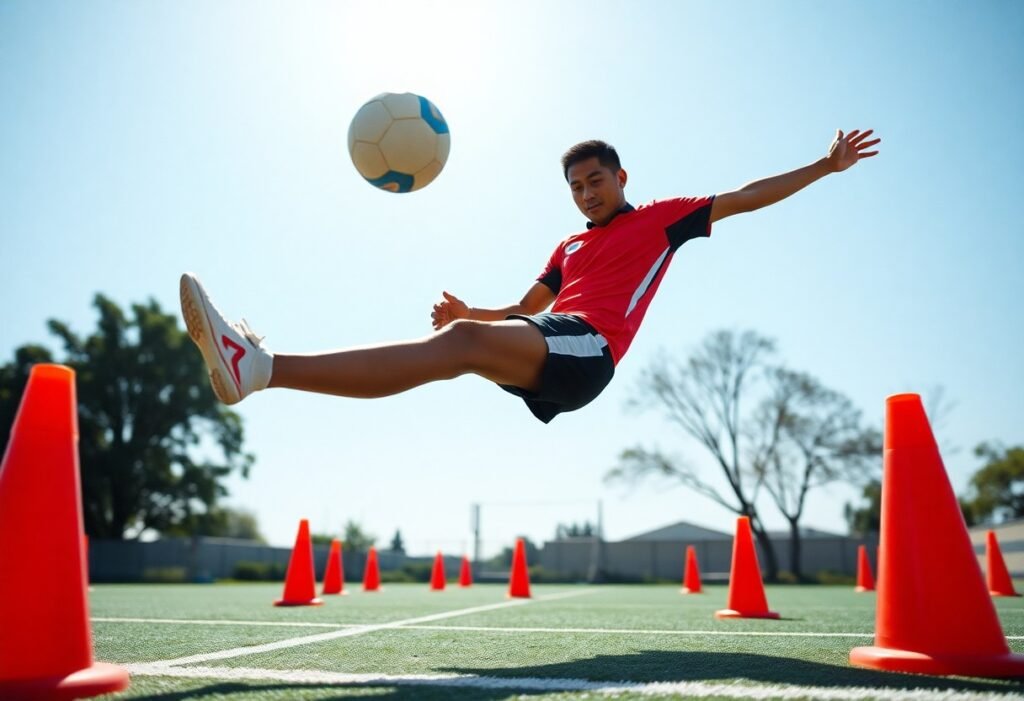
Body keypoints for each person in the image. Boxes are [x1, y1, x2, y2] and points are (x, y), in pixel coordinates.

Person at [180, 129, 880, 423]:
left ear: (621, 177)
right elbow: (524, 309)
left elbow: (746, 196)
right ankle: (264, 370)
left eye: (596, 180)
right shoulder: (569, 246)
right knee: (455, 346)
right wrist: (471, 311)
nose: (586, 193)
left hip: (590, 350)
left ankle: (263, 366)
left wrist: (825, 165)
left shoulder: (663, 219)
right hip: (553, 340)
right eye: (576, 186)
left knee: (458, 348)